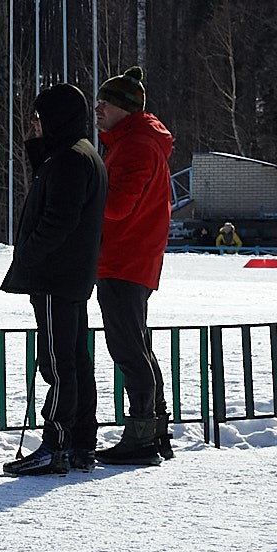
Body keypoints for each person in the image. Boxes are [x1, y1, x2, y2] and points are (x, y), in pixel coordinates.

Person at [1, 83, 107, 477]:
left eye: (40, 117)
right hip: (71, 275)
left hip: (55, 276)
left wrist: (28, 256)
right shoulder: (80, 154)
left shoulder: (68, 159)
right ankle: (80, 442)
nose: (34, 124)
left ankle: (55, 444)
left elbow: (58, 220)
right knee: (75, 359)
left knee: (59, 362)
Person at [93, 66, 175, 467]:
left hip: (124, 258)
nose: (98, 109)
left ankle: (143, 433)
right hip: (132, 258)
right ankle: (154, 430)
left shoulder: (137, 145)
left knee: (128, 347)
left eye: (105, 103)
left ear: (125, 109)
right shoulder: (137, 141)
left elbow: (117, 207)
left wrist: (85, 195)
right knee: (136, 344)